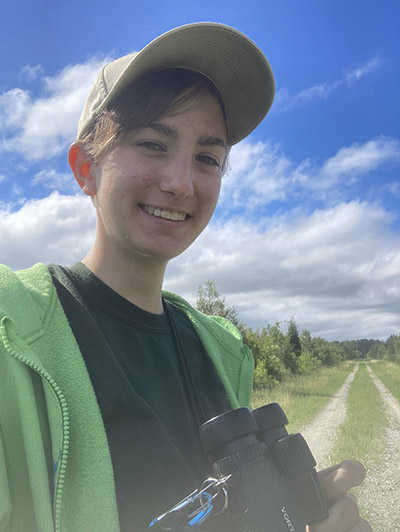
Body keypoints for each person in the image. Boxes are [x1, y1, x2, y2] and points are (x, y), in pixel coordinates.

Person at [0, 22, 373, 532]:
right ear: (86, 168)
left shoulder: (221, 348)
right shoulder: (12, 334)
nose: (180, 182)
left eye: (207, 158)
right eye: (153, 143)